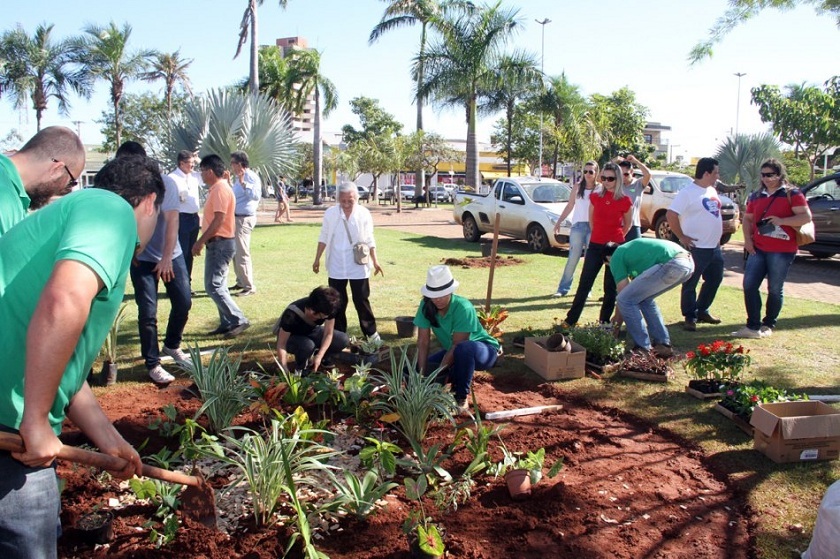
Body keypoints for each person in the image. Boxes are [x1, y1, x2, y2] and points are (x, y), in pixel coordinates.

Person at [0, 154, 163, 559]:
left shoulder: (72, 216)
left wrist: (111, 441)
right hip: (12, 431)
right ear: (150, 202)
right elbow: (64, 300)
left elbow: (65, 374)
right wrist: (36, 420)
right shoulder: (110, 211)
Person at [114, 143, 192, 385]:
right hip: (142, 259)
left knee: (183, 302)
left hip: (171, 255)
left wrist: (167, 257)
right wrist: (131, 250)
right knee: (148, 313)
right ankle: (153, 363)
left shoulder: (165, 183)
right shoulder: (121, 188)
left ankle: (171, 346)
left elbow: (172, 221)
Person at [733, 158, 811, 339]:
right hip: (758, 248)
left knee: (775, 288)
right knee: (749, 285)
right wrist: (747, 240)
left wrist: (782, 221)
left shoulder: (793, 193)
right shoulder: (756, 195)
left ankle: (768, 324)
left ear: (779, 174)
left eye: (771, 175)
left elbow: (805, 217)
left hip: (782, 249)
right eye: (763, 175)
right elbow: (748, 219)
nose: (767, 179)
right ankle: (752, 326)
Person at [414, 265, 500, 413]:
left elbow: (457, 345)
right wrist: (422, 376)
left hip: (483, 351)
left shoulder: (463, 307)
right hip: (454, 350)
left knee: (462, 350)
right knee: (418, 368)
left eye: (443, 294)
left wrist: (436, 376)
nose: (438, 299)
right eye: (434, 295)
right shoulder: (425, 306)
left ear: (451, 291)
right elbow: (423, 342)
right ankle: (451, 379)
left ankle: (461, 397)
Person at [562, 162, 633, 328]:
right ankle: (570, 320)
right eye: (604, 178)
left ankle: (604, 322)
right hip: (595, 245)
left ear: (618, 180)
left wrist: (615, 241)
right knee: (585, 282)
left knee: (610, 287)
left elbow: (627, 225)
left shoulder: (625, 200)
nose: (606, 181)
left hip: (615, 248)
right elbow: (592, 220)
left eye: (611, 178)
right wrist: (598, 237)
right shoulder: (595, 197)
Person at [313, 182, 383, 340]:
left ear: (357, 199)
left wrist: (375, 261)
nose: (346, 204)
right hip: (336, 264)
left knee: (361, 300)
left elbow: (370, 238)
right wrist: (317, 259)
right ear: (338, 199)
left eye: (350, 201)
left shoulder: (364, 213)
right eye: (343, 201)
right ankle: (338, 335)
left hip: (358, 264)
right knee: (336, 302)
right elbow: (323, 236)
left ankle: (371, 334)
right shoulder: (330, 213)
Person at [192, 154, 250, 338]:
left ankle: (238, 319)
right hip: (220, 243)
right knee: (219, 285)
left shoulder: (220, 189)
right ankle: (226, 322)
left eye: (201, 170)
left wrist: (200, 242)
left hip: (220, 242)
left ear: (209, 171)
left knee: (213, 285)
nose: (200, 174)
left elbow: (219, 219)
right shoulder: (218, 188)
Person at [604, 238, 694, 357]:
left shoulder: (616, 256)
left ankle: (642, 348)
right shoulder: (633, 253)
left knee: (625, 299)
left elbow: (623, 295)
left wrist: (615, 326)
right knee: (644, 299)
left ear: (608, 259)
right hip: (688, 264)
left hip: (672, 263)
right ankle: (663, 344)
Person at [666, 157, 725, 332]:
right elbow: (671, 215)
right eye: (715, 172)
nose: (717, 176)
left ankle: (702, 310)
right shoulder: (687, 192)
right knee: (691, 282)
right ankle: (690, 316)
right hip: (696, 247)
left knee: (715, 279)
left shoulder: (711, 190)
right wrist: (681, 236)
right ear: (706, 173)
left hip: (714, 247)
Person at [0, 126, 85, 236]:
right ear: (57, 170)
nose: (66, 190)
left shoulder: (13, 192)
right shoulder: (5, 199)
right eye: (70, 182)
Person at [273, 286, 349, 373]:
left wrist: (320, 356)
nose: (325, 318)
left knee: (342, 339)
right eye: (322, 316)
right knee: (307, 345)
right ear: (312, 311)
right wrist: (284, 367)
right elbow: (281, 344)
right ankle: (301, 369)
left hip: (312, 331)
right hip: (292, 336)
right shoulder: (291, 314)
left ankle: (321, 358)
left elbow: (328, 333)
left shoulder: (328, 308)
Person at [552, 160, 598, 297]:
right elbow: (570, 205)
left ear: (596, 173)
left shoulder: (600, 188)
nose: (588, 174)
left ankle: (586, 289)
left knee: (590, 260)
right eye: (585, 171)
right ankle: (563, 289)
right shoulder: (577, 186)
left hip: (593, 227)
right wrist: (559, 221)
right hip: (578, 226)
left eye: (591, 171)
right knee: (573, 258)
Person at [168, 150, 202, 285]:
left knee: (190, 252)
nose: (192, 166)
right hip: (181, 218)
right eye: (190, 163)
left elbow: (209, 173)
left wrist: (197, 159)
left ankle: (187, 282)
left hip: (194, 217)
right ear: (181, 163)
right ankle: (179, 283)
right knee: (180, 252)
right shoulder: (172, 178)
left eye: (194, 163)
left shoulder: (195, 176)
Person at [230, 151, 261, 296]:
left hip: (244, 219)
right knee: (236, 252)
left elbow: (255, 195)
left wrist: (244, 184)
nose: (231, 166)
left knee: (242, 252)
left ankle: (249, 286)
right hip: (236, 218)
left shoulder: (251, 177)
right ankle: (241, 281)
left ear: (240, 164)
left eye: (233, 163)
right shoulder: (238, 178)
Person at [617, 154, 651, 241]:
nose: (623, 177)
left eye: (626, 174)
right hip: (617, 225)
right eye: (620, 174)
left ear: (632, 172)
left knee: (635, 252)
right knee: (616, 252)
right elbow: (600, 179)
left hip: (633, 225)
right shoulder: (616, 184)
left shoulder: (638, 184)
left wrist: (635, 161)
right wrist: (613, 162)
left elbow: (648, 174)